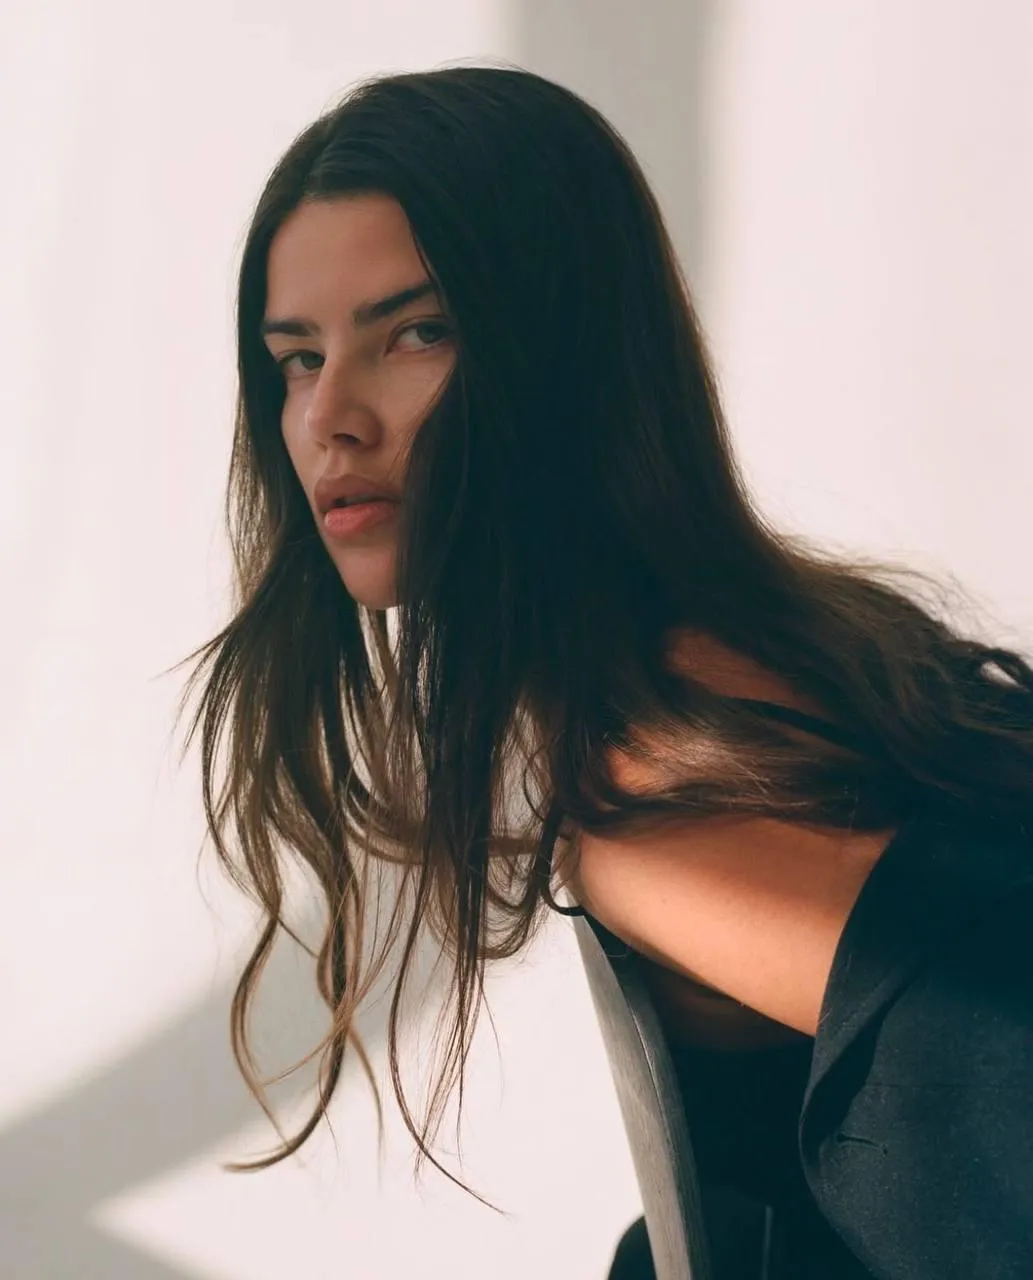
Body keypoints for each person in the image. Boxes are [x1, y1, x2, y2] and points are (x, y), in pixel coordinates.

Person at [170, 63, 1033, 1278]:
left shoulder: (664, 786)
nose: (329, 418)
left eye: (416, 332)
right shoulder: (766, 652)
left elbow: (987, 1090)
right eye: (298, 358)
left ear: (563, 356)